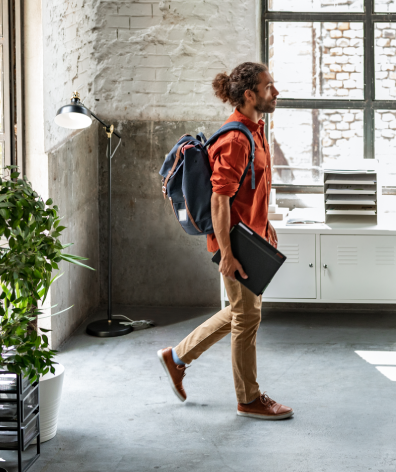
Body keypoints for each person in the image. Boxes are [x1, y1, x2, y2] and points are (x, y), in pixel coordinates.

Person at [157, 62, 293, 420]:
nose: (275, 92)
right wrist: (228, 255)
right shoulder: (235, 140)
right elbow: (219, 200)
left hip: (252, 237)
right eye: (268, 87)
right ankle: (248, 398)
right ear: (250, 95)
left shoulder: (256, 129)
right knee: (247, 318)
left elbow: (254, 189)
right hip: (234, 243)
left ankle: (176, 357)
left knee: (241, 313)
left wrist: (266, 226)